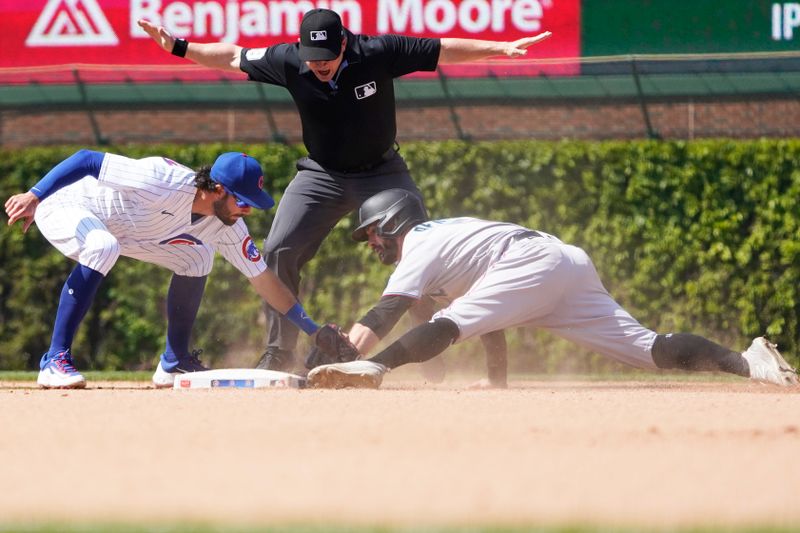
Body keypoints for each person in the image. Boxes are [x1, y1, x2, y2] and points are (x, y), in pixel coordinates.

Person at [137, 9, 551, 372]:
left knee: (424, 253)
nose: (319, 66)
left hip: (383, 173)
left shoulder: (376, 52)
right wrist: (178, 46)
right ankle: (279, 352)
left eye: (328, 57)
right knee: (279, 248)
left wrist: (501, 48)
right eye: (311, 57)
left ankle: (428, 353)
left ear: (345, 45)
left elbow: (442, 49)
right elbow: (231, 56)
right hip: (321, 175)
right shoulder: (289, 60)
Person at [306, 189, 800, 389]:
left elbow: (386, 310)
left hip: (530, 262)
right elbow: (488, 320)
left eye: (371, 232)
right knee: (651, 350)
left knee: (446, 325)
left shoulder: (420, 243)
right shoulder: (444, 244)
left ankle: (370, 371)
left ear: (393, 223)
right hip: (562, 262)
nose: (370, 242)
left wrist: (356, 355)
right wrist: (498, 382)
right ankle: (751, 362)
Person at [4, 150, 323, 389]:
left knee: (197, 257)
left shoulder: (227, 226)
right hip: (67, 205)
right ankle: (54, 360)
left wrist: (315, 331)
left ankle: (174, 361)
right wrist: (34, 195)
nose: (247, 211)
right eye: (242, 201)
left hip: (123, 231)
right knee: (103, 246)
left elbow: (265, 280)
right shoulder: (162, 179)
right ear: (217, 189)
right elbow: (87, 159)